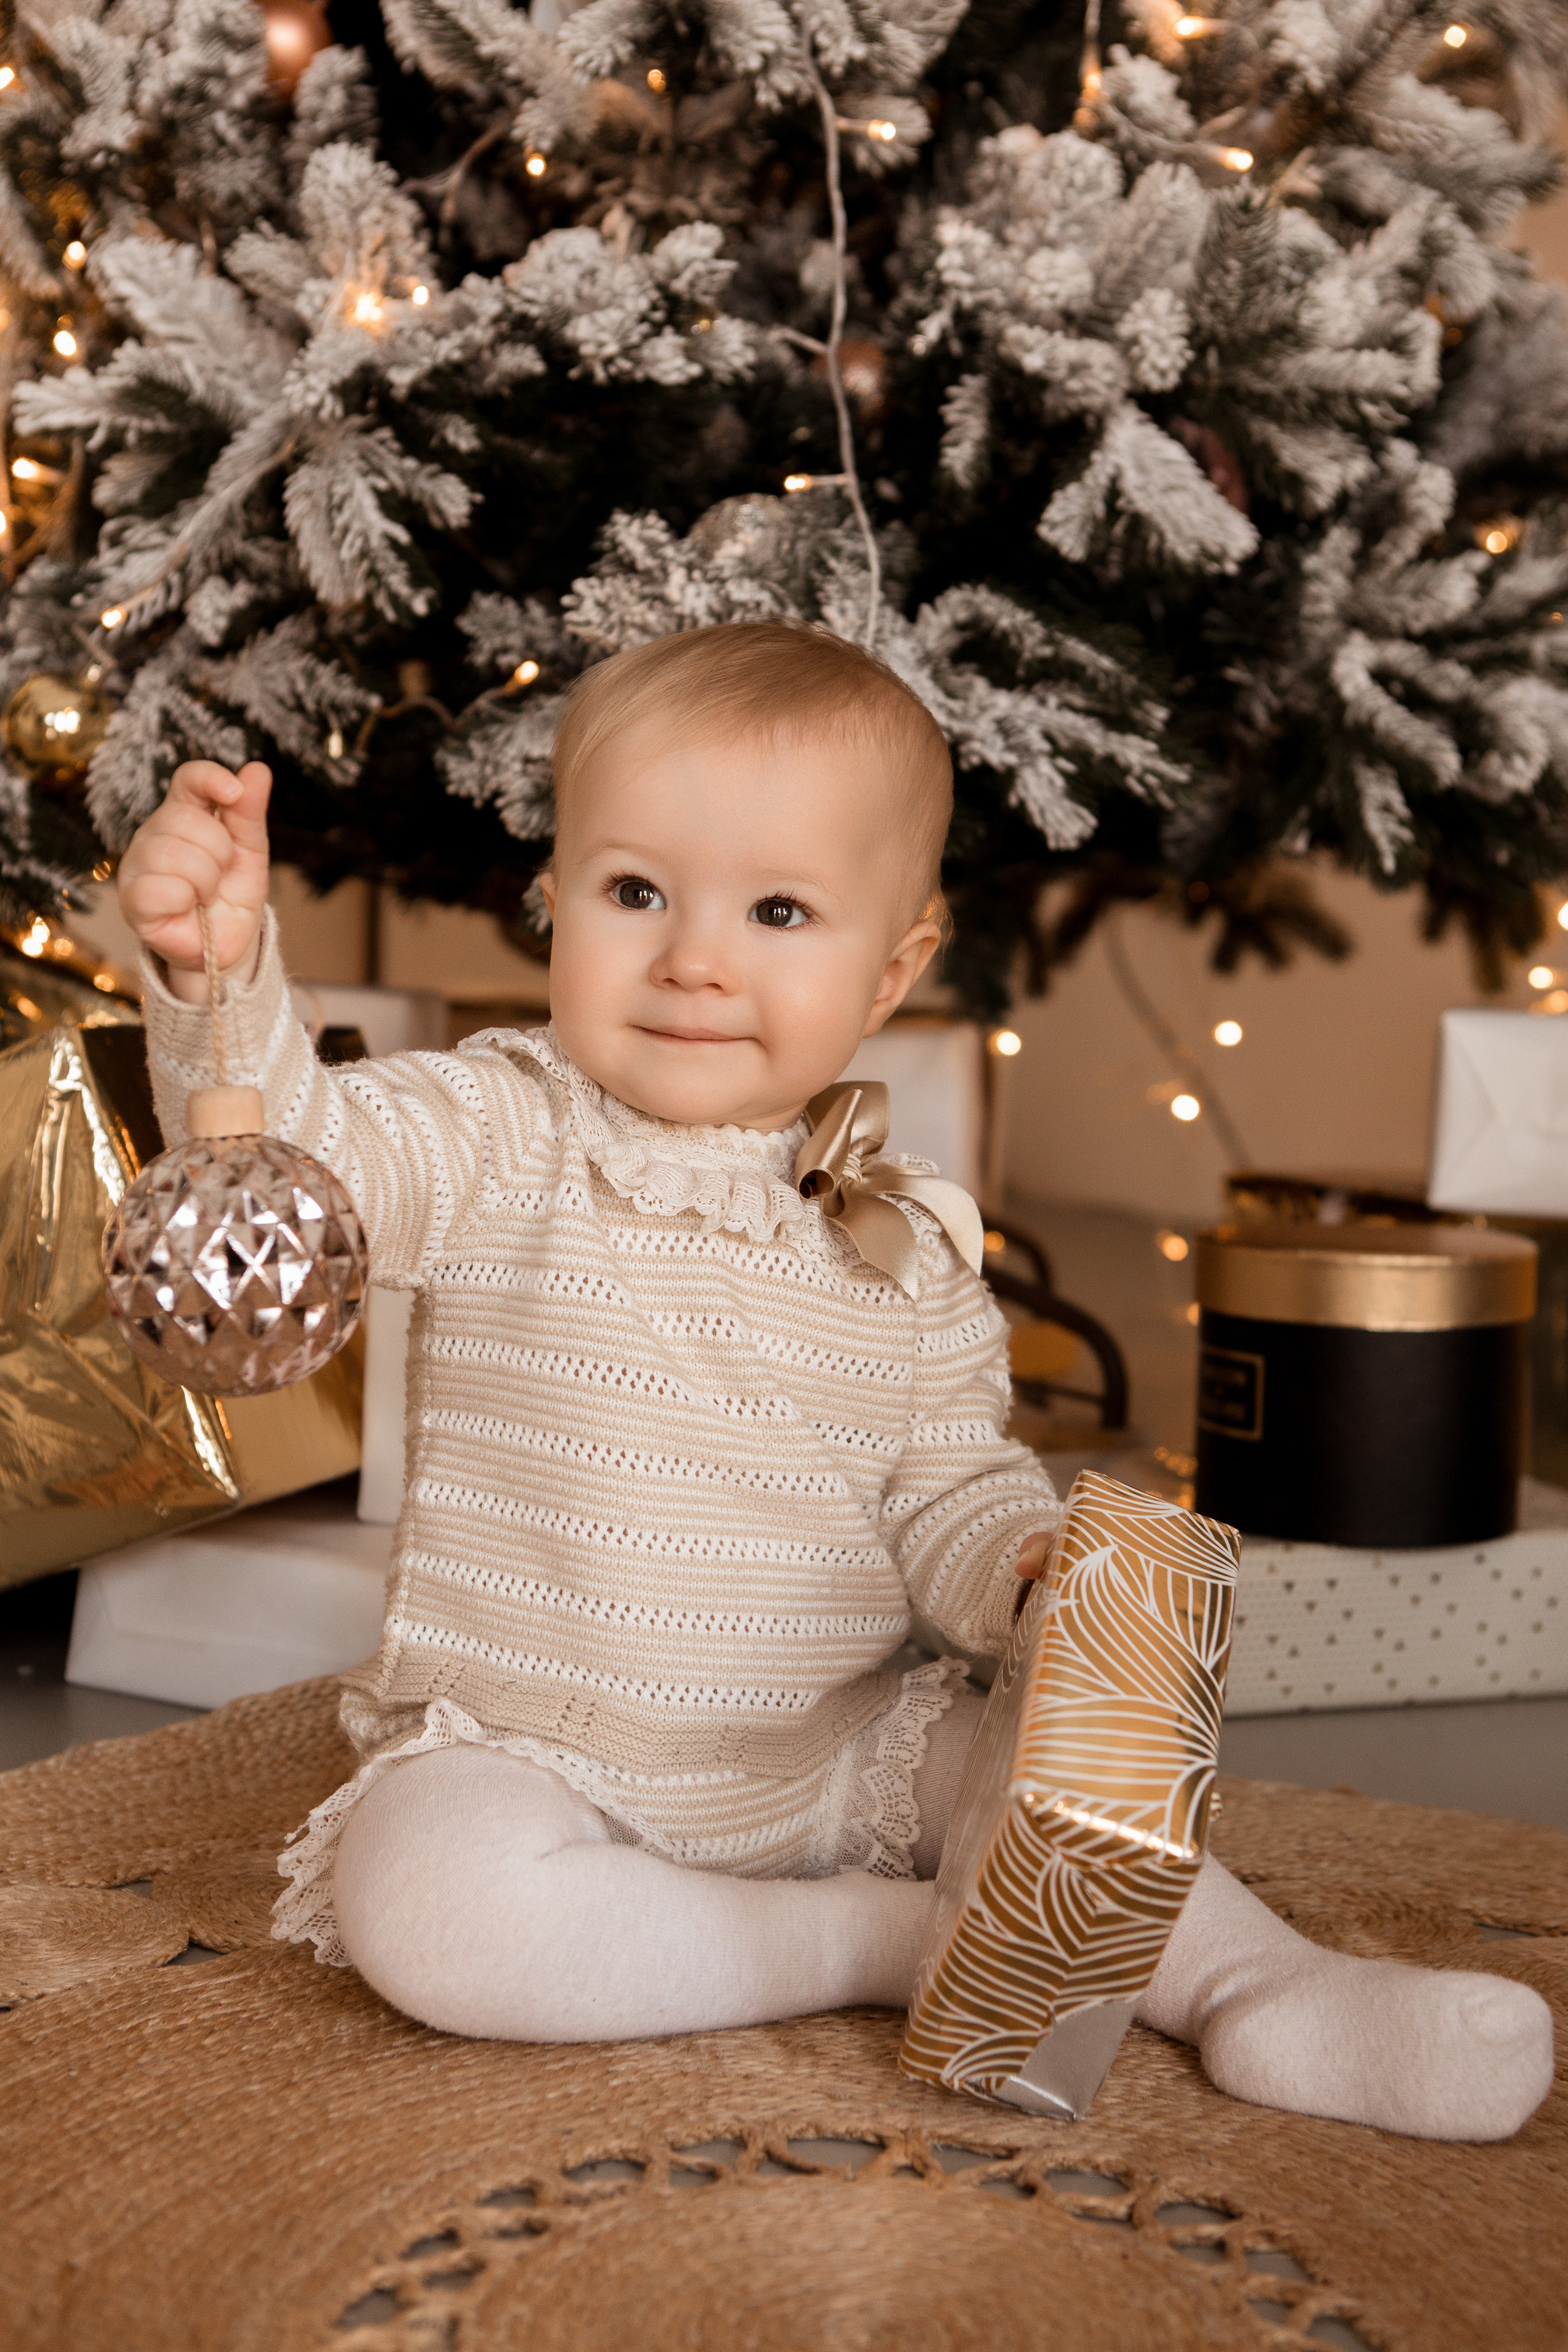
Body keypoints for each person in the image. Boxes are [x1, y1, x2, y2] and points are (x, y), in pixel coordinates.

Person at [118, 620, 1552, 2140]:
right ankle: (869, 1946)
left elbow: (945, 1476)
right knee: (428, 1908)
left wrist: (1021, 1569)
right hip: (543, 1749)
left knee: (1029, 1794)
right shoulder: (496, 1130)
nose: (692, 957)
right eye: (633, 892)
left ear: (894, 967)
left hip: (834, 1746)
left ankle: (1268, 1991)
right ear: (554, 905)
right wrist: (218, 974)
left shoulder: (901, 1235)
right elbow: (286, 1174)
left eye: (780, 908)